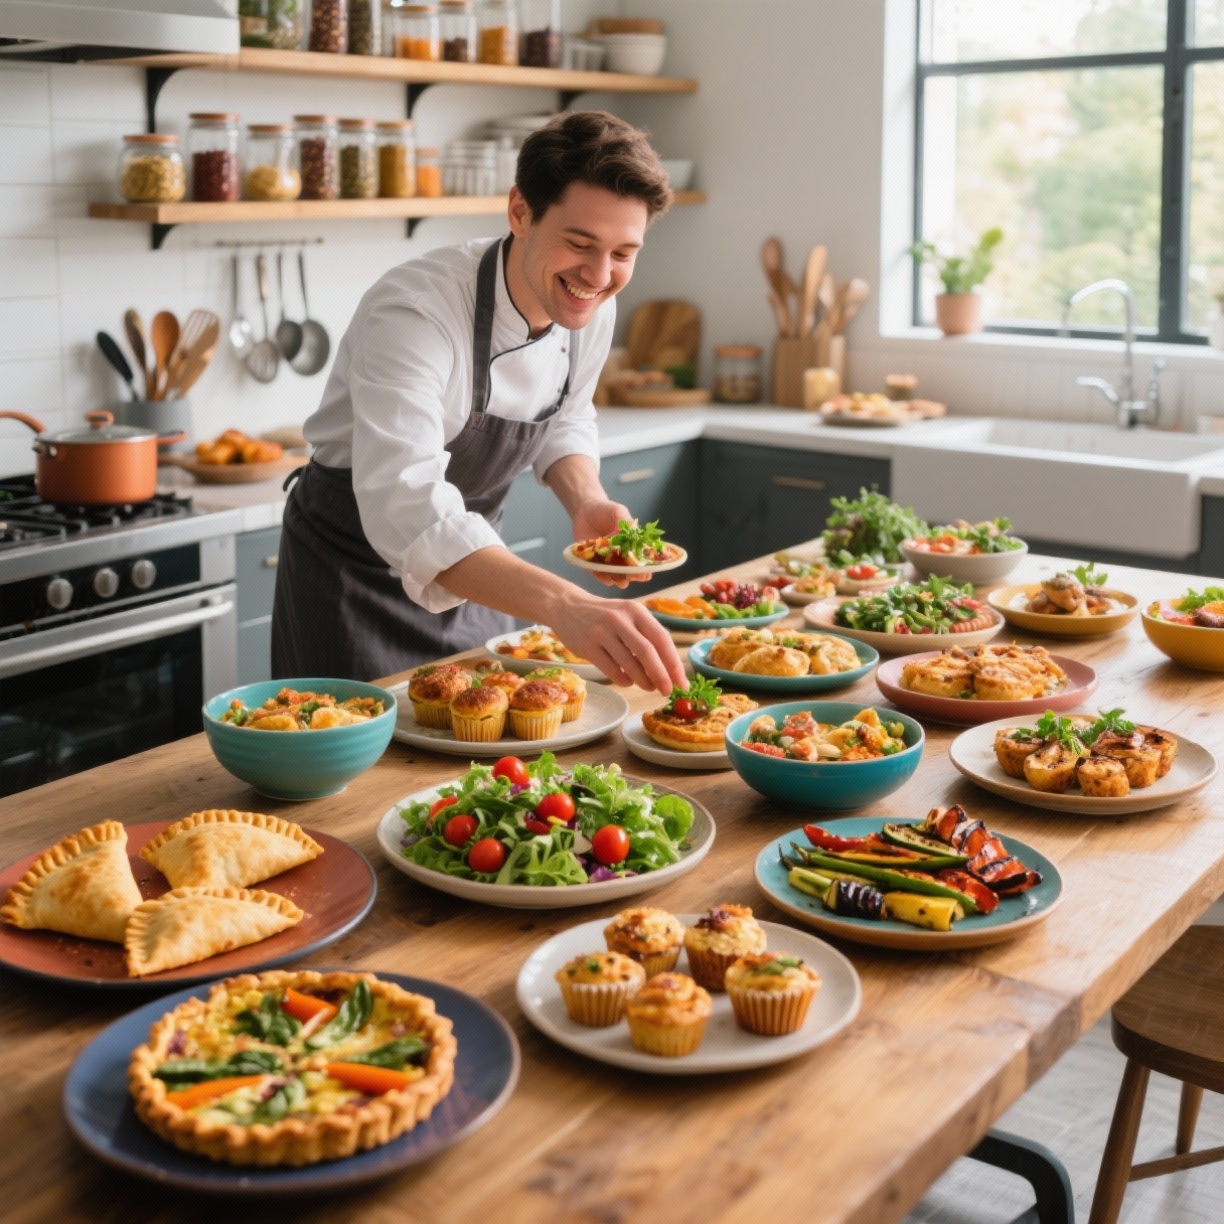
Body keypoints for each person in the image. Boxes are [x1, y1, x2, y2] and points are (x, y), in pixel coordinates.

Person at [271, 110, 686, 694]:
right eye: (580, 243)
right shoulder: (415, 311)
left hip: (482, 575)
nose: (599, 273)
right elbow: (405, 498)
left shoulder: (590, 301)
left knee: (485, 759)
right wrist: (566, 606)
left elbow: (568, 414)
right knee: (356, 773)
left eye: (624, 252)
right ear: (520, 211)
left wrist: (586, 499)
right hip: (352, 577)